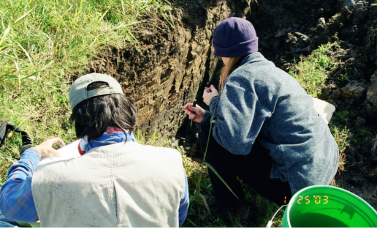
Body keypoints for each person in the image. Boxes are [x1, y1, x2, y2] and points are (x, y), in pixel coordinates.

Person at [184, 17, 339, 214]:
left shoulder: (240, 78)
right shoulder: (272, 72)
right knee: (209, 121)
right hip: (322, 172)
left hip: (292, 193)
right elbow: (253, 120)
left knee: (208, 128)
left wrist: (214, 102)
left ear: (225, 53)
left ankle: (229, 207)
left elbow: (235, 144)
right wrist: (209, 114)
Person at [0, 73, 189, 227]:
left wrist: (31, 155)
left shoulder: (49, 178)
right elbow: (177, 216)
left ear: (79, 120)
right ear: (126, 109)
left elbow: (9, 205)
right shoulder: (172, 162)